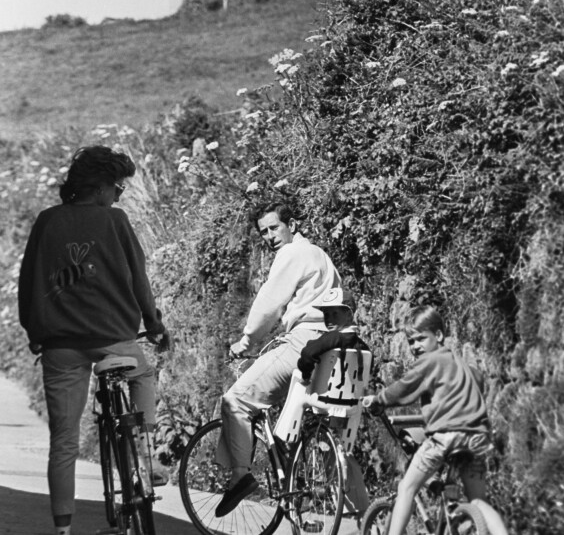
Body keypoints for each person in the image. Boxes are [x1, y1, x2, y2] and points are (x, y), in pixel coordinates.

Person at [18, 145, 170, 535]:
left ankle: (63, 531)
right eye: (118, 187)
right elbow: (139, 280)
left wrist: (36, 333)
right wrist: (153, 324)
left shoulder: (47, 222)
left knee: (64, 441)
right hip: (114, 339)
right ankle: (144, 449)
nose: (120, 195)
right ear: (101, 187)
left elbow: (28, 283)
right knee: (143, 376)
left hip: (60, 345)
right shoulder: (115, 221)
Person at [215, 202, 341, 517]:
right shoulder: (321, 256)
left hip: (303, 342)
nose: (270, 236)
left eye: (274, 228)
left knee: (236, 400)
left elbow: (268, 306)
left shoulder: (292, 254)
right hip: (336, 345)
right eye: (264, 232)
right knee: (318, 423)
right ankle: (354, 510)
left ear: (292, 224)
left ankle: (240, 477)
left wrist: (246, 342)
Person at [363, 306, 508, 535]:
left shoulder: (430, 362)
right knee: (479, 502)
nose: (416, 346)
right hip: (477, 438)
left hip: (445, 437)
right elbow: (478, 381)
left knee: (407, 487)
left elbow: (403, 388)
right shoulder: (464, 367)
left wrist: (379, 400)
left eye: (421, 339)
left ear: (439, 336)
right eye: (411, 341)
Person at [297, 287, 371, 522]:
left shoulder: (333, 339)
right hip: (349, 407)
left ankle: (300, 485)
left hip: (322, 400)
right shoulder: (363, 346)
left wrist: (307, 374)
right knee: (343, 452)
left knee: (297, 428)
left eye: (334, 314)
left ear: (349, 315)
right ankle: (357, 505)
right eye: (326, 314)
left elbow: (308, 353)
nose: (328, 319)